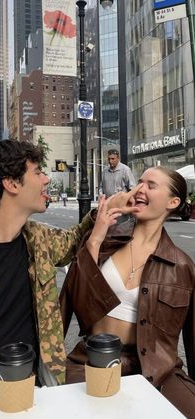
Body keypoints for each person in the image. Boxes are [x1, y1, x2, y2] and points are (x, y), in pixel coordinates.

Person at [0, 139, 102, 399]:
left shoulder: (38, 240)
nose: (46, 179)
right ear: (11, 184)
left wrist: (103, 213)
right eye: (37, 172)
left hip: (37, 396)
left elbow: (73, 240)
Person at [60, 166, 195, 417]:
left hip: (158, 369)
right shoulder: (104, 240)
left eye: (151, 185)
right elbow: (73, 300)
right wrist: (95, 238)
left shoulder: (183, 266)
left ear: (173, 202)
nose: (139, 189)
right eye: (139, 182)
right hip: (91, 360)